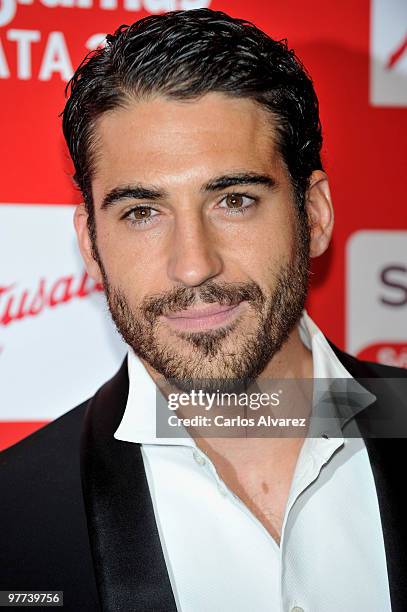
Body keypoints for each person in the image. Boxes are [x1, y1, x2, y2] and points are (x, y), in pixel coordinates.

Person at [1, 8, 406, 612]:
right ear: (90, 244)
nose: (193, 266)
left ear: (314, 214)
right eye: (142, 212)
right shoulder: (14, 515)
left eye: (234, 200)